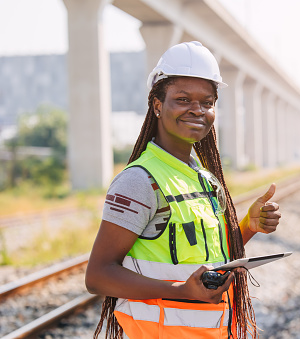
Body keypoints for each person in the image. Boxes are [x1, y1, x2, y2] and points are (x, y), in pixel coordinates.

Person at [85, 41, 281, 339]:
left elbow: (206, 263)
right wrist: (181, 291)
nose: (198, 110)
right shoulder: (140, 180)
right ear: (157, 104)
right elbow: (98, 275)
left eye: (207, 102)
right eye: (183, 99)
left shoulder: (204, 178)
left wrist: (248, 227)